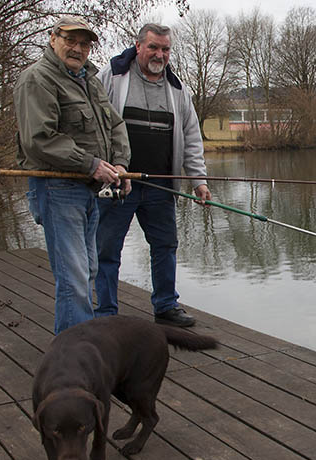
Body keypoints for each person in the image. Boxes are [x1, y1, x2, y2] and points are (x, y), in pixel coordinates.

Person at [14, 16, 131, 335]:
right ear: (53, 39)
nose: (78, 48)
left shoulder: (89, 81)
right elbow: (39, 140)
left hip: (89, 191)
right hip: (57, 189)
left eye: (84, 43)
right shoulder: (37, 79)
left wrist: (120, 163)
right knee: (74, 276)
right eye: (71, 40)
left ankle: (76, 346)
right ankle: (74, 357)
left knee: (88, 269)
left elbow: (115, 125)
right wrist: (91, 163)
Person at [96, 23, 211, 327]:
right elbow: (92, 125)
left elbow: (191, 137)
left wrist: (198, 180)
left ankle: (165, 306)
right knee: (107, 250)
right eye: (154, 47)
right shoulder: (111, 77)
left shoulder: (178, 90)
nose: (160, 54)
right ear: (138, 46)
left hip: (162, 186)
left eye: (165, 49)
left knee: (165, 246)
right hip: (118, 184)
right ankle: (106, 313)